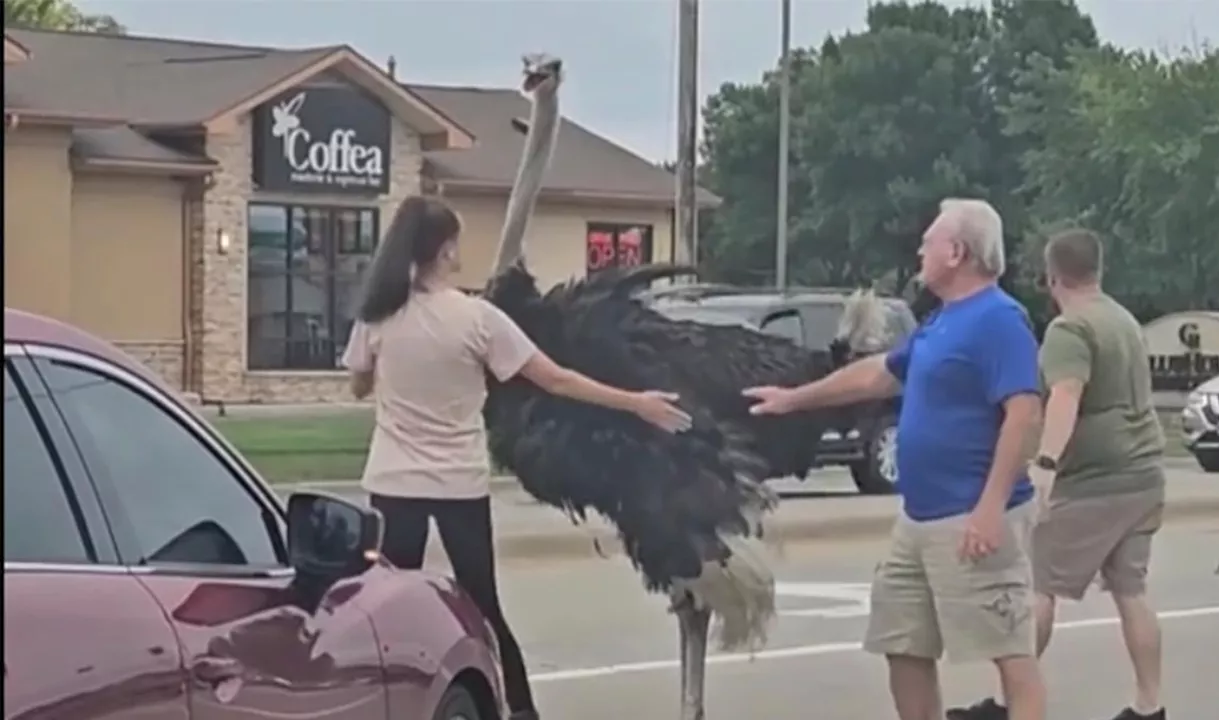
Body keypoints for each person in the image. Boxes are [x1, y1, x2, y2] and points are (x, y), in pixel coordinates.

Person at [341, 195, 692, 720]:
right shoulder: (478, 318)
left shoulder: (378, 315)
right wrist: (634, 402)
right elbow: (555, 378)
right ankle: (522, 710)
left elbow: (357, 386)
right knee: (483, 607)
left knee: (390, 612)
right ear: (445, 250)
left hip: (393, 480)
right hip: (459, 483)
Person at [745, 198, 1046, 720]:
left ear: (956, 252)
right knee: (903, 645)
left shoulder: (1000, 320)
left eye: (929, 241)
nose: (919, 249)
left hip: (970, 517)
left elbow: (1024, 414)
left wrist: (991, 506)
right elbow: (880, 373)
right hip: (917, 519)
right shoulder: (940, 323)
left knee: (1010, 656)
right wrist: (794, 399)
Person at [949, 229, 1168, 720]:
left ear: (1051, 276)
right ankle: (1151, 705)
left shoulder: (1070, 330)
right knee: (1131, 591)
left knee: (1039, 589)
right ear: (1097, 270)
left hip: (1096, 481)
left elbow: (1066, 395)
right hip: (1145, 473)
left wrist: (1045, 463)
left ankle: (1011, 704)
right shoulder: (1123, 319)